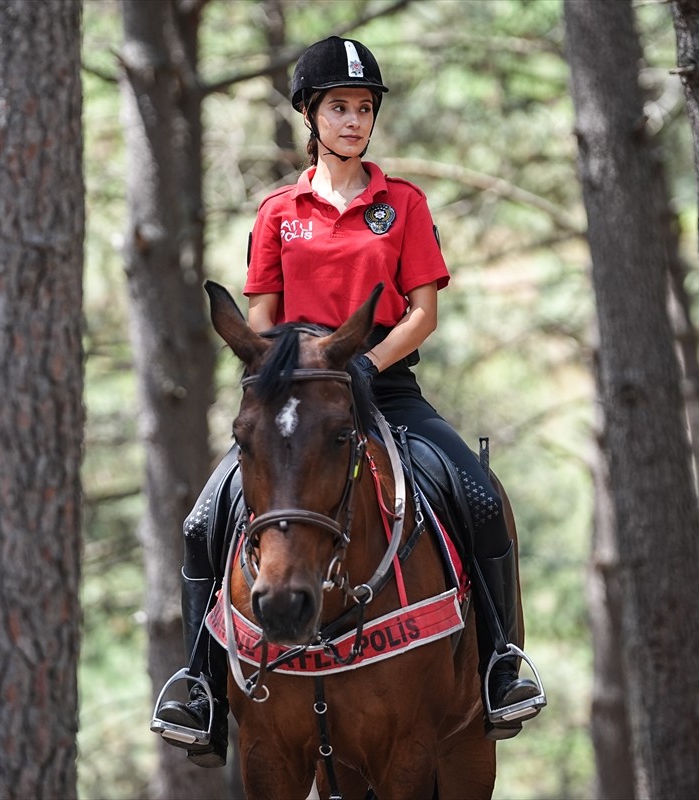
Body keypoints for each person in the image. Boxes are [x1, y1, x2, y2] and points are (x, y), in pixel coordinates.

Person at [151, 36, 543, 768]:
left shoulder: (403, 204)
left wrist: (360, 363)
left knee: (480, 495)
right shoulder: (279, 211)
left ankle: (498, 667)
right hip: (300, 395)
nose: (353, 120)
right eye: (339, 107)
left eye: (364, 108)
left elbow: (422, 312)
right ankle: (199, 688)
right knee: (205, 517)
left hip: (385, 385)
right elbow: (262, 315)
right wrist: (292, 368)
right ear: (310, 113)